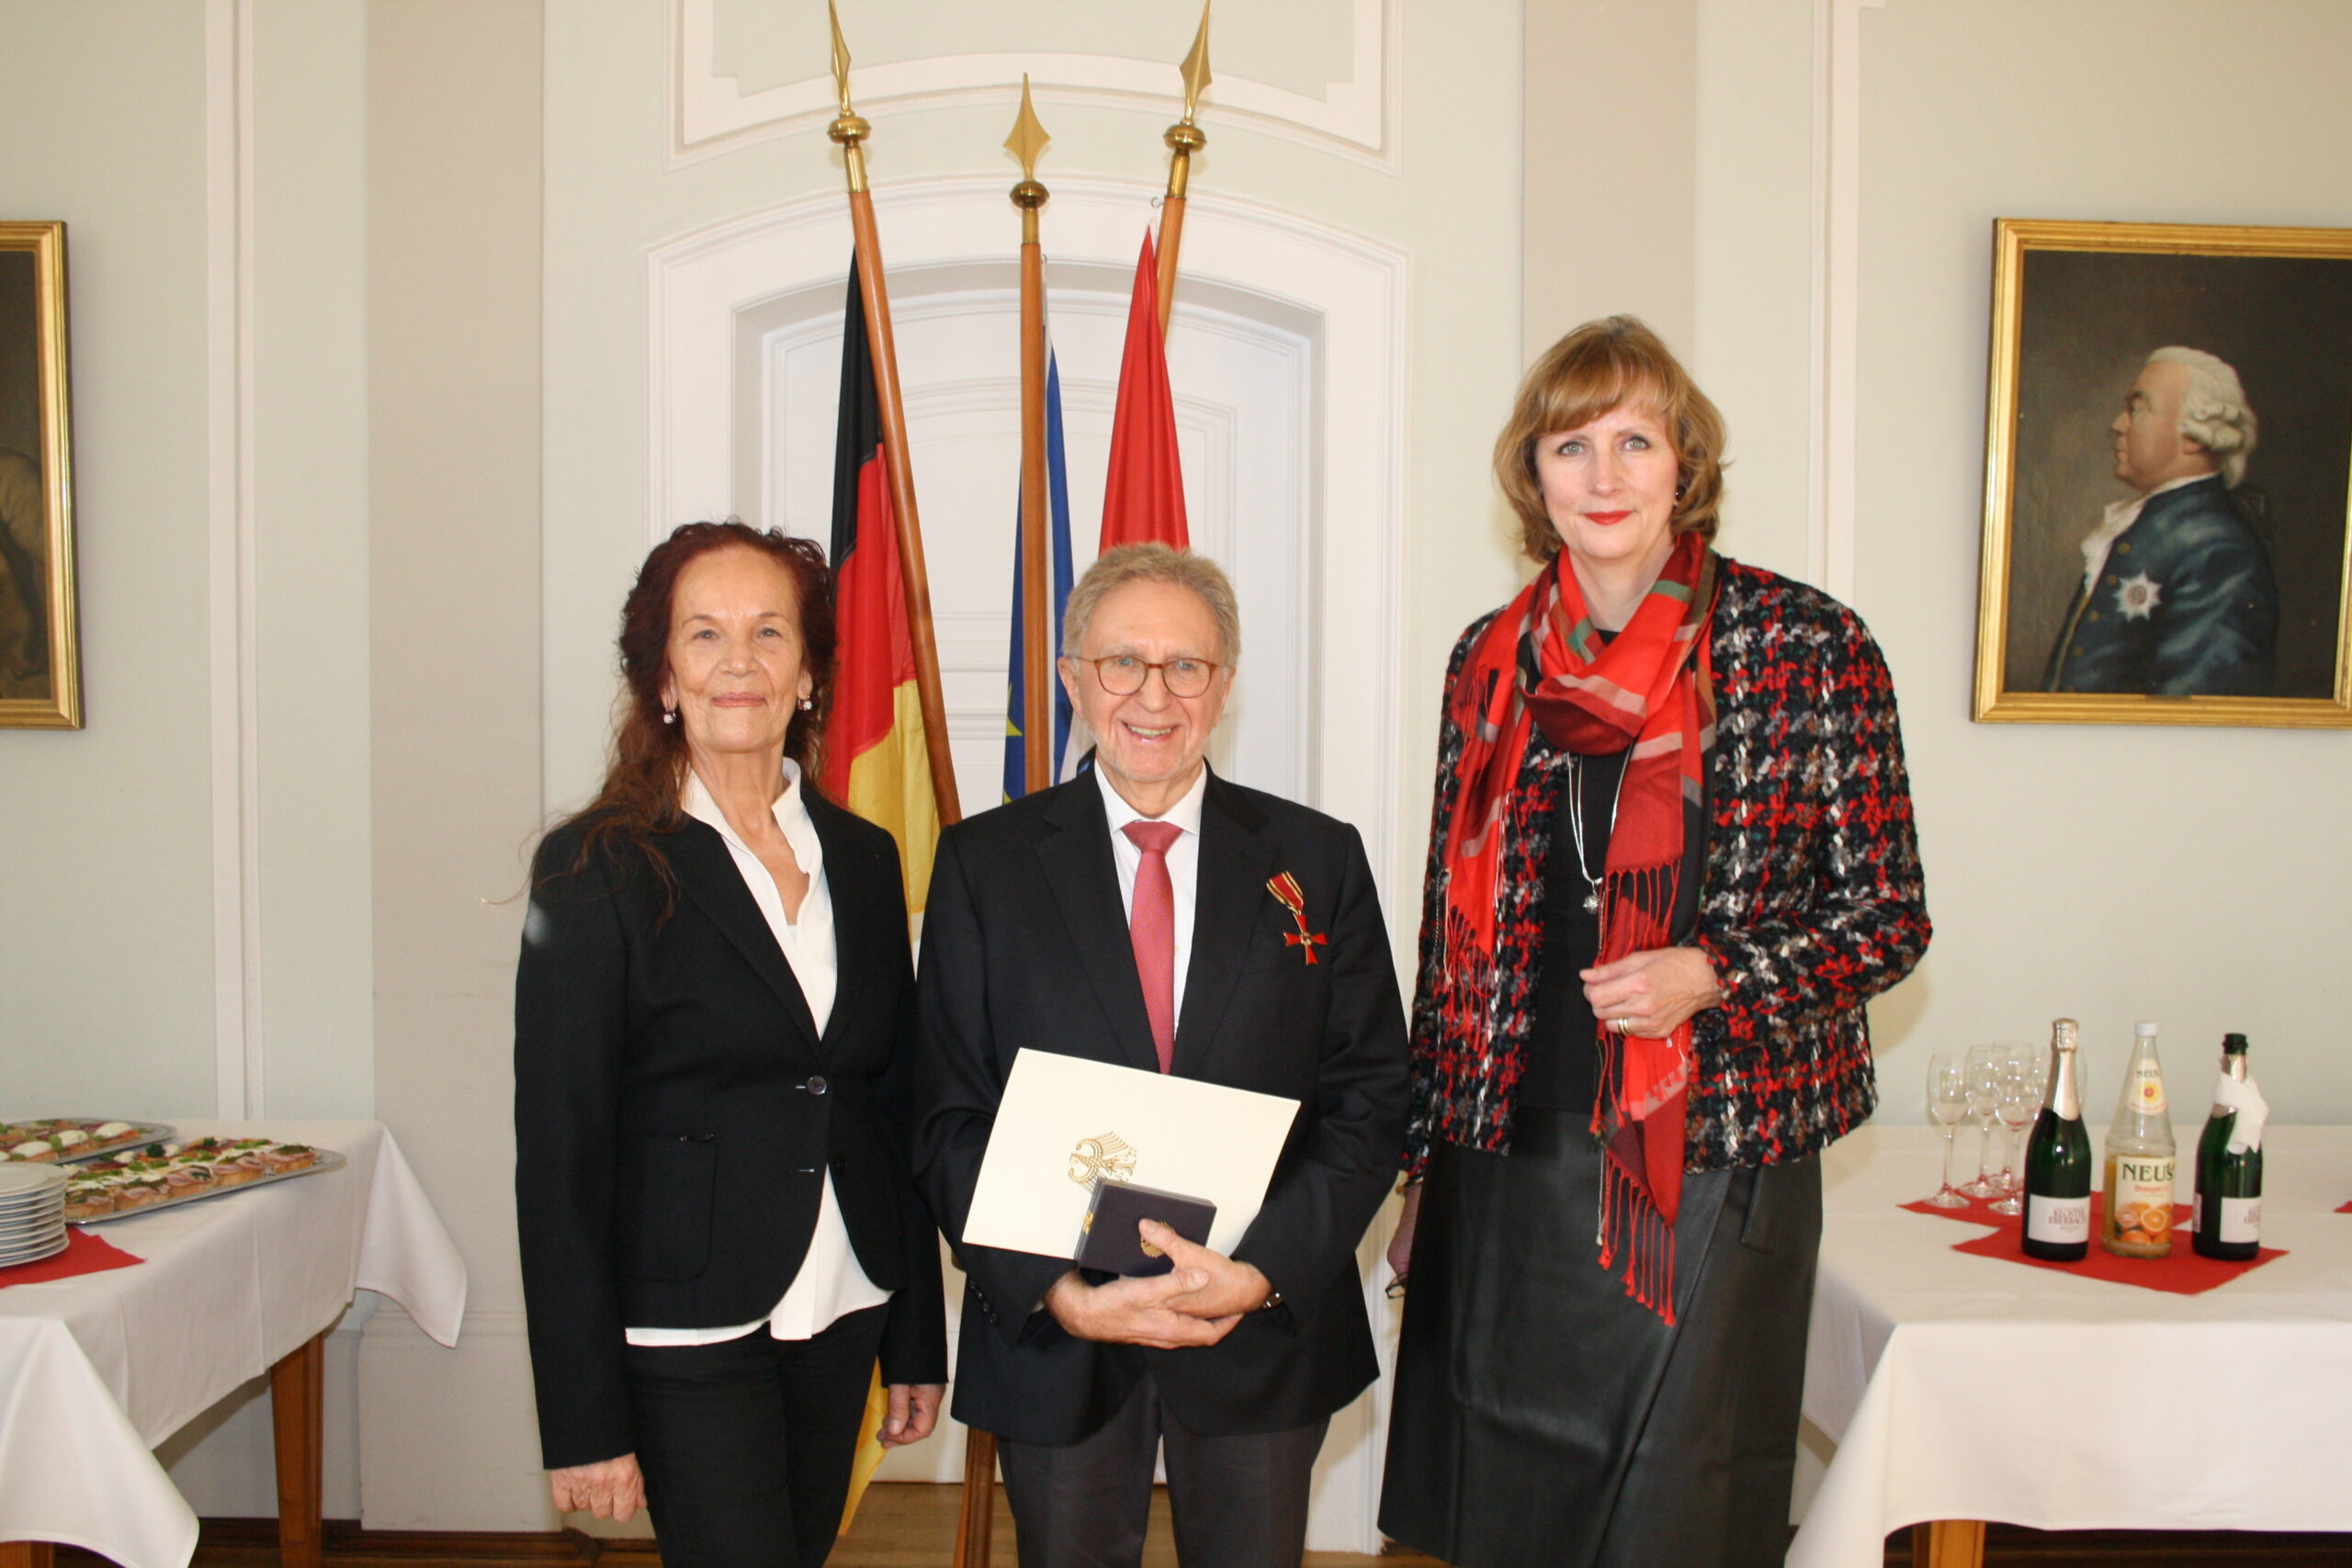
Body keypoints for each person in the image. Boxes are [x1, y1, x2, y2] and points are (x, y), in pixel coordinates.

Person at [1379, 317, 1930, 1568]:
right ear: (1535, 476)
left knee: (1679, 1505)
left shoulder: (1805, 646)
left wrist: (1714, 971)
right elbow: (1446, 935)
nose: (1607, 474)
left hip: (1713, 1157)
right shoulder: (1491, 659)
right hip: (1506, 1152)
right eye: (1573, 444)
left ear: (1687, 461)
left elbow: (1890, 914)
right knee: (1504, 1493)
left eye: (1637, 439)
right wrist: (1423, 1167)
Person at [910, 544, 1408, 1568]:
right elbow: (945, 1118)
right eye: (1121, 663)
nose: (1153, 695)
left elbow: (1369, 1102)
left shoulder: (1317, 860)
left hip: (1258, 1331)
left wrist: (1261, 1272)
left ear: (1223, 685)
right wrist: (1059, 1291)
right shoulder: (983, 866)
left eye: (1186, 666)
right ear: (1072, 680)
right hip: (1059, 1334)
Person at [514, 521, 946, 1567]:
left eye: (769, 632)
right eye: (704, 635)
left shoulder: (864, 854)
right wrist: (584, 1422)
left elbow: (892, 1104)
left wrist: (916, 1338)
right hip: (682, 1322)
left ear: (809, 673)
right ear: (662, 673)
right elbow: (560, 1159)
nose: (739, 662)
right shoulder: (595, 866)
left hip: (843, 1296)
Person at [2043, 346, 2278, 695]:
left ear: (2194, 435)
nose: (2118, 425)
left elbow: (2193, 708)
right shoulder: (2149, 524)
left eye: (2137, 410)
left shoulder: (2218, 550)